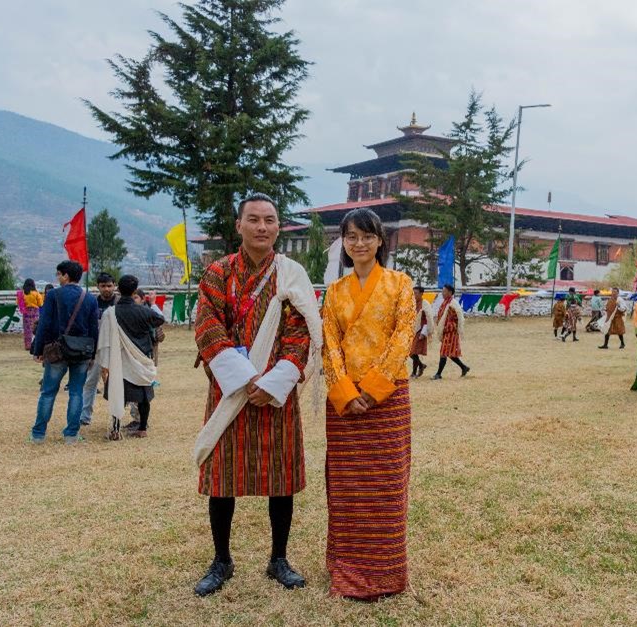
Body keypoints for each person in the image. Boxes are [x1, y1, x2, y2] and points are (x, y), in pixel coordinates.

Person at [191, 194, 321, 597]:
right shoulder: (217, 273)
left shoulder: (292, 273)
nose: (262, 227)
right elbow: (208, 327)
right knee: (222, 479)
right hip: (230, 391)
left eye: (269, 220)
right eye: (254, 219)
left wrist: (275, 381)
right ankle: (221, 560)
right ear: (239, 225)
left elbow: (301, 332)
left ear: (279, 226)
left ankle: (278, 558)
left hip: (275, 394)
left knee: (280, 478)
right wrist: (244, 380)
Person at [321, 207, 415, 600]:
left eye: (367, 236)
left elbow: (403, 336)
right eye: (351, 236)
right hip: (344, 406)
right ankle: (346, 567)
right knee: (347, 488)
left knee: (386, 485)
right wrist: (344, 391)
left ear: (380, 240)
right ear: (343, 242)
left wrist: (374, 389)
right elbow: (329, 345)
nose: (359, 243)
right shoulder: (335, 291)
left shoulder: (400, 284)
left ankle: (386, 573)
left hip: (387, 400)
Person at [29, 260, 99, 444]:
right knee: (76, 392)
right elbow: (94, 329)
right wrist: (92, 355)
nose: (58, 278)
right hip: (82, 352)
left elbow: (44, 323)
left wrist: (38, 350)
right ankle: (71, 435)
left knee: (48, 392)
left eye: (59, 274)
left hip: (57, 351)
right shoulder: (90, 298)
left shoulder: (53, 295)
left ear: (66, 275)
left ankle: (38, 434)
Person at [98, 275, 164, 440]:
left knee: (117, 392)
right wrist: (152, 306)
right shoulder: (143, 311)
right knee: (143, 395)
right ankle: (142, 428)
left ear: (118, 289)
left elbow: (104, 339)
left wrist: (104, 364)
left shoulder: (110, 313)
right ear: (135, 290)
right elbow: (159, 319)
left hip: (118, 359)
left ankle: (116, 429)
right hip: (140, 357)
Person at [80, 273, 119, 426]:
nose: (106, 289)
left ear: (114, 285)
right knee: (90, 382)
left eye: (109, 285)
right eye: (103, 286)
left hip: (116, 349)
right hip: (96, 349)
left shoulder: (120, 303)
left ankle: (120, 415)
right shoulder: (92, 303)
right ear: (98, 286)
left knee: (120, 382)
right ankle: (85, 416)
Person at [432, 284, 470, 379]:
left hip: (451, 332)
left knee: (444, 352)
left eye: (444, 291)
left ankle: (438, 374)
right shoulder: (446, 302)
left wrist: (446, 328)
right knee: (449, 352)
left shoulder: (453, 304)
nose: (442, 293)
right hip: (445, 331)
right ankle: (464, 367)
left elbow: (456, 320)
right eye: (442, 291)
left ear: (450, 292)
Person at [409, 285, 432, 378]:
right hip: (413, 330)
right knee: (410, 352)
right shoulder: (412, 303)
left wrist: (424, 332)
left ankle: (414, 372)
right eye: (413, 293)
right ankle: (421, 365)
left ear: (422, 294)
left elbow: (428, 319)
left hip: (421, 330)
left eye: (416, 293)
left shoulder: (425, 304)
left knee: (413, 352)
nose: (414, 295)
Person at [17, 279, 44, 351]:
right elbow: (41, 304)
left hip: (26, 313)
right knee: (36, 328)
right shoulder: (36, 293)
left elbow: (18, 303)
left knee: (27, 329)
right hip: (35, 313)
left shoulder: (22, 293)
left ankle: (27, 345)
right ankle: (35, 345)